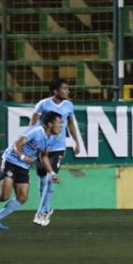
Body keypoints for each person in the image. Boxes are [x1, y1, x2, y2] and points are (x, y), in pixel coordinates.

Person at [0, 111, 62, 231]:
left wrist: (52, 173)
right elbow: (16, 145)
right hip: (10, 161)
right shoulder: (35, 131)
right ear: (49, 124)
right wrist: (22, 157)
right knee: (4, 196)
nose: (61, 126)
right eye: (59, 123)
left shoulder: (50, 139)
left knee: (22, 197)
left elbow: (43, 156)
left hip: (23, 167)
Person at [29, 78, 83, 227]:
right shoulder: (43, 104)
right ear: (55, 91)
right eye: (65, 88)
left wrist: (76, 141)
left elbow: (70, 124)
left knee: (50, 178)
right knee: (42, 180)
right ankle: (47, 208)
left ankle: (41, 212)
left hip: (59, 147)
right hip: (42, 147)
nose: (68, 91)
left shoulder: (69, 105)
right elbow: (33, 124)